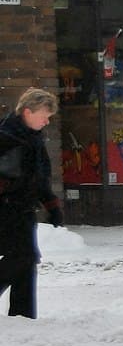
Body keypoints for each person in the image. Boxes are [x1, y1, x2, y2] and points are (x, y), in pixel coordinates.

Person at [0, 88, 64, 319]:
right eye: (44, 115)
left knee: (27, 263)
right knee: (22, 257)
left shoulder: (33, 139)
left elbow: (40, 178)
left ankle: (22, 315)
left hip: (24, 208)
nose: (47, 121)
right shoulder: (6, 137)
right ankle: (22, 314)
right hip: (6, 208)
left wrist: (52, 206)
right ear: (27, 112)